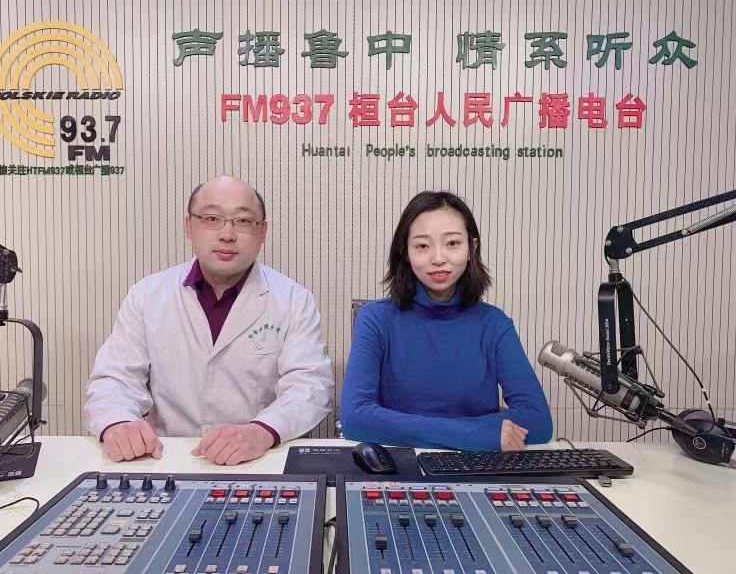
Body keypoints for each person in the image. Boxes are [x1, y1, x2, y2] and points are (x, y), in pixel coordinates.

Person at [84, 176, 334, 465]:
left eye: (243, 221)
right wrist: (117, 423)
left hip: (259, 459)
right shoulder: (148, 294)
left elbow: (310, 386)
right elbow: (115, 378)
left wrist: (262, 431)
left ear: (262, 231)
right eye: (212, 218)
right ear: (189, 226)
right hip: (167, 457)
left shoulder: (293, 299)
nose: (227, 234)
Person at [339, 191, 552, 450]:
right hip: (400, 466)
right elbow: (355, 418)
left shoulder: (495, 324)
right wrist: (477, 433)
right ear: (405, 252)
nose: (438, 258)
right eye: (422, 246)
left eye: (452, 243)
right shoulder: (375, 319)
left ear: (472, 248)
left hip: (475, 467)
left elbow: (537, 421)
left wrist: (438, 432)